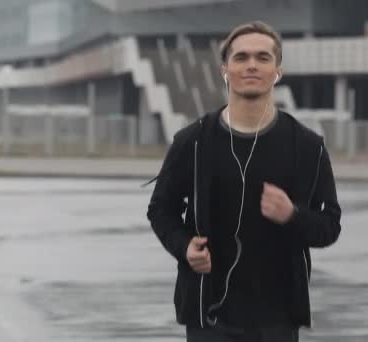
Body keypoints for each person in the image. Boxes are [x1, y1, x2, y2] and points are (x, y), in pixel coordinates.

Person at [147, 21, 341, 342]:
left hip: (277, 317)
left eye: (263, 58)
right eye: (241, 57)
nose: (252, 65)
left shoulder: (307, 147)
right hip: (209, 315)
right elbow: (161, 209)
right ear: (225, 69)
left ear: (277, 71)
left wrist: (293, 214)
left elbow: (329, 225)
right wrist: (184, 246)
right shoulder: (193, 141)